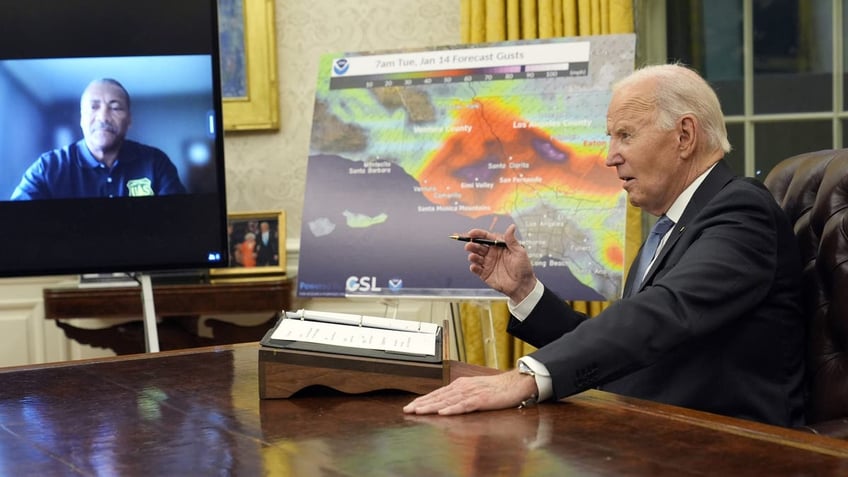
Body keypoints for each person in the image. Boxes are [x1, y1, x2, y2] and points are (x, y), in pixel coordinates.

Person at [403, 64, 806, 427]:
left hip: (728, 447)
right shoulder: (671, 228)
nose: (610, 157)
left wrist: (528, 376)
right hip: (646, 430)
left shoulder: (743, 210)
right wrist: (525, 292)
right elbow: (629, 343)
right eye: (610, 137)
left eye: (625, 135)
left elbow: (663, 314)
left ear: (684, 135)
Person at [11, 78, 186, 200]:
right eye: (94, 107)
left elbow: (179, 223)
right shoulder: (47, 168)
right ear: (81, 119)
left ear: (129, 120)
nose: (103, 117)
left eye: (115, 108)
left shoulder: (155, 163)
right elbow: (16, 226)